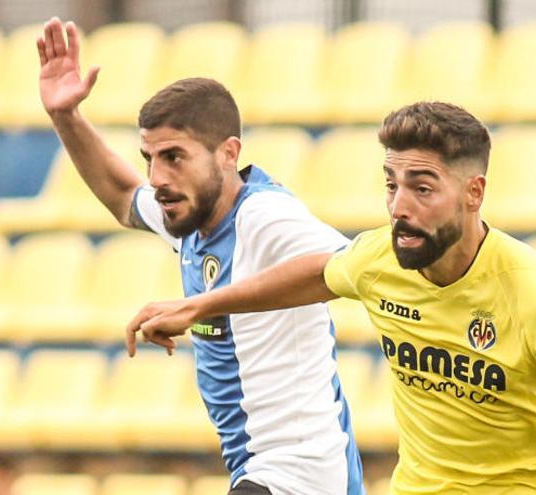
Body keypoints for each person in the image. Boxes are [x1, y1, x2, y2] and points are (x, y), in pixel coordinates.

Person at [127, 102, 536, 494]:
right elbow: (316, 274)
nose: (399, 206)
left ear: (473, 194)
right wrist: (200, 305)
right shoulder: (380, 259)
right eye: (390, 184)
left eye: (421, 188)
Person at [36, 17, 365, 495]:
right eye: (149, 158)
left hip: (300, 474)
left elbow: (351, 267)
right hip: (262, 472)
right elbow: (123, 195)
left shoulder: (264, 216)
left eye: (174, 157)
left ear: (228, 153)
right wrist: (65, 116)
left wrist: (196, 307)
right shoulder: (190, 218)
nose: (156, 176)